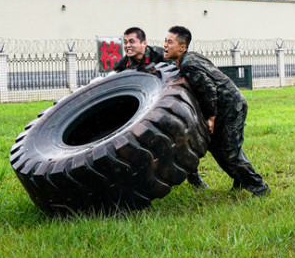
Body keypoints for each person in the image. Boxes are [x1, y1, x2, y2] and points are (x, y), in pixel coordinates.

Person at [162, 26, 270, 196]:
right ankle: (240, 180)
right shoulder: (189, 58)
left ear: (182, 47)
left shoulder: (188, 64)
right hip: (223, 107)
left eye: (170, 42)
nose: (165, 45)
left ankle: (259, 187)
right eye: (165, 41)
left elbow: (209, 89)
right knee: (217, 148)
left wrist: (211, 118)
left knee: (230, 151)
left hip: (231, 107)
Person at [114, 27, 208, 189]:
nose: (127, 46)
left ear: (144, 44)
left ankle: (193, 175)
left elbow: (178, 80)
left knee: (180, 141)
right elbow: (112, 83)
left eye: (132, 42)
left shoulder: (160, 56)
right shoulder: (125, 63)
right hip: (141, 111)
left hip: (168, 107)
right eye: (125, 42)